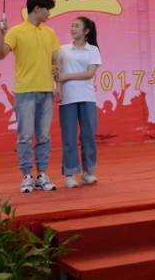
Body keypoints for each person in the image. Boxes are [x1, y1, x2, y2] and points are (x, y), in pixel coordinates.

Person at [0, 0, 61, 193]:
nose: (49, 13)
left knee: (43, 136)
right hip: (24, 91)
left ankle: (42, 175)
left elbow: (56, 61)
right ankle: (26, 176)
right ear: (36, 9)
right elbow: (0, 54)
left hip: (46, 91)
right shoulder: (15, 32)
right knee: (25, 136)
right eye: (47, 9)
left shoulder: (50, 33)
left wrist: (58, 86)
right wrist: (1, 34)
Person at [54, 16, 102, 188]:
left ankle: (88, 172)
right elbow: (57, 72)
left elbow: (90, 73)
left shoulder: (93, 50)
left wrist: (66, 76)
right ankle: (70, 173)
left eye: (76, 26)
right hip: (68, 99)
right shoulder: (62, 49)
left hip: (87, 97)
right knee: (69, 137)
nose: (72, 28)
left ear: (86, 31)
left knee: (88, 135)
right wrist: (59, 88)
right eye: (72, 25)